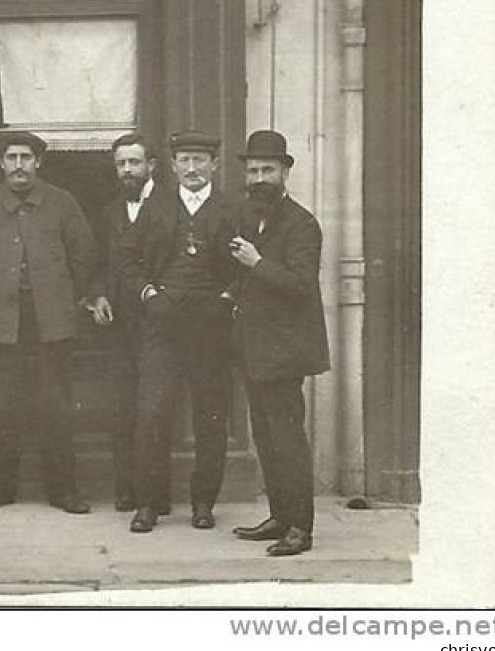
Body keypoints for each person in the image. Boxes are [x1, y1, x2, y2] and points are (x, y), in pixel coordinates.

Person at [0, 131, 100, 515]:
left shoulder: (62, 204)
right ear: (1, 164)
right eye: (12, 158)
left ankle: (63, 490)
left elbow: (84, 257)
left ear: (39, 163)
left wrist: (62, 297)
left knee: (56, 406)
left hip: (51, 324)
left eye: (26, 158)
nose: (19, 165)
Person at [120, 129, 241, 534]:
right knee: (152, 412)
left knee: (210, 416)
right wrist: (149, 293)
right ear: (172, 166)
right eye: (184, 160)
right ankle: (148, 503)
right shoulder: (155, 207)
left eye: (200, 160)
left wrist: (226, 297)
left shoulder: (231, 209)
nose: (192, 168)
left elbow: (247, 265)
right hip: (163, 324)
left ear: (214, 165)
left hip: (211, 327)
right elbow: (127, 258)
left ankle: (204, 502)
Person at [227, 130, 330, 557]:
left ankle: (300, 529)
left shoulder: (303, 223)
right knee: (265, 437)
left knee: (287, 439)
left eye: (268, 169)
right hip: (254, 346)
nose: (259, 178)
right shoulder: (251, 217)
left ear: (285, 171)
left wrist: (256, 262)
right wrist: (233, 290)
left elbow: (300, 287)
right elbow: (246, 273)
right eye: (252, 170)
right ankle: (279, 517)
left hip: (285, 351)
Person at [88, 133, 158, 513]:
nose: (128, 170)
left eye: (134, 162)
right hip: (119, 325)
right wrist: (97, 295)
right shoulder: (108, 212)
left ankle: (156, 492)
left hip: (159, 323)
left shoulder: (168, 207)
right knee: (122, 407)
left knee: (155, 408)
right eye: (121, 164)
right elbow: (97, 262)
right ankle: (126, 489)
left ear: (151, 166)